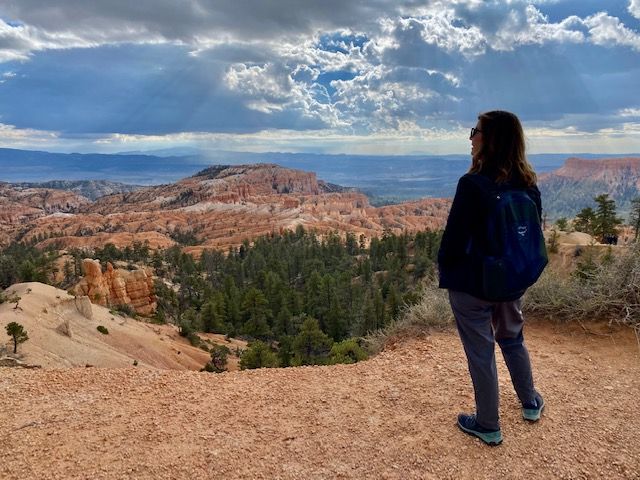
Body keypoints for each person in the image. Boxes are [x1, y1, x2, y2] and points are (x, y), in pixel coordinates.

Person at [437, 110, 545, 446]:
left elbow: (452, 243)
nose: (471, 137)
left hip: (473, 285)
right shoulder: (528, 185)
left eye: (476, 131)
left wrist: (447, 272)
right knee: (512, 338)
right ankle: (530, 403)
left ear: (490, 139)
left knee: (481, 352)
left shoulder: (472, 185)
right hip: (511, 282)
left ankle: (488, 424)